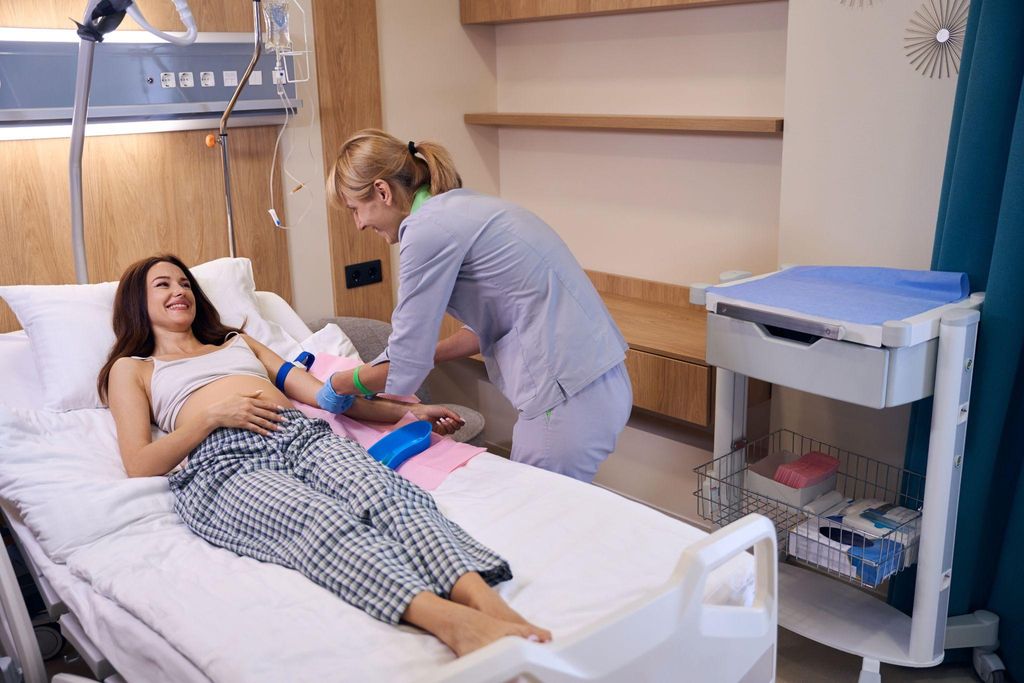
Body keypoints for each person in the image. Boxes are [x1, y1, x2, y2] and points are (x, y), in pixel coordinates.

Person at [97, 254, 550, 656]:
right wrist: (210, 418)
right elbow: (138, 462)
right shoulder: (134, 369)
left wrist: (405, 413)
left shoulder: (237, 342)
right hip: (223, 464)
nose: (180, 291)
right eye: (164, 284)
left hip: (300, 435)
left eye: (184, 284)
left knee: (388, 494)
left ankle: (482, 598)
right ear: (138, 302)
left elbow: (325, 397)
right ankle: (449, 622)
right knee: (320, 522)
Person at [324, 129, 632, 483]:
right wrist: (430, 353)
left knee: (534, 524)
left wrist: (337, 384)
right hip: (603, 382)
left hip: (566, 400)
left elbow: (403, 366)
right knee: (558, 521)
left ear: (382, 191)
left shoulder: (425, 229)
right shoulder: (465, 207)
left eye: (355, 210)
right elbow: (486, 324)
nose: (359, 224)